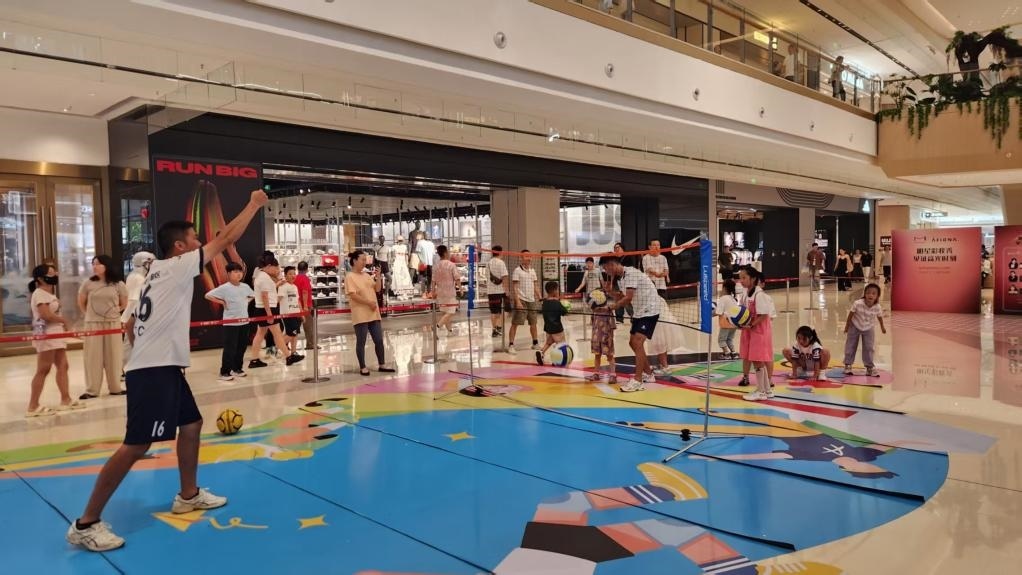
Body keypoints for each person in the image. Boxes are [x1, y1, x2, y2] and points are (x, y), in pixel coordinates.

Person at [67, 189, 267, 552]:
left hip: (162, 366)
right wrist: (253, 204)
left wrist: (149, 346)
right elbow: (226, 238)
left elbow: (131, 325)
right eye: (194, 238)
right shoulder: (177, 266)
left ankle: (188, 494)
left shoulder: (155, 272)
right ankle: (86, 523)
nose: (200, 243)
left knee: (191, 424)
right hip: (154, 370)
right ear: (180, 246)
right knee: (136, 444)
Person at [26, 264, 82, 417]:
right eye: (51, 273)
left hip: (56, 333)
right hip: (47, 334)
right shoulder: (39, 294)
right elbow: (45, 315)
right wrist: (64, 321)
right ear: (40, 278)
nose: (55, 275)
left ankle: (66, 399)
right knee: (43, 369)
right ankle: (33, 405)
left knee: (63, 365)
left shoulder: (48, 294)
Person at [601, 255, 659, 392]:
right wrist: (610, 292)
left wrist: (612, 307)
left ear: (611, 264)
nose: (606, 271)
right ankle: (648, 374)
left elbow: (628, 298)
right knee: (632, 343)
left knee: (637, 342)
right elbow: (623, 296)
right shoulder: (621, 278)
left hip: (650, 309)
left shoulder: (631, 273)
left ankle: (638, 381)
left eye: (605, 268)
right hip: (639, 311)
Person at [78, 254, 128, 400]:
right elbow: (81, 302)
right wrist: (89, 315)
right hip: (93, 324)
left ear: (106, 265)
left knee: (114, 355)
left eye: (98, 264)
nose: (95, 266)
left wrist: (113, 312)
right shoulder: (88, 283)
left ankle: (115, 387)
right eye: (93, 264)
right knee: (92, 356)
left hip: (112, 323)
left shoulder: (118, 284)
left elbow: (124, 303)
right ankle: (92, 390)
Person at [345, 250, 395, 376]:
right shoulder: (350, 276)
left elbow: (377, 289)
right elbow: (353, 295)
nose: (364, 262)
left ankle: (382, 364)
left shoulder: (366, 275)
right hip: (360, 313)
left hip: (373, 312)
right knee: (361, 341)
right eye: (362, 259)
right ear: (354, 261)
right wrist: (368, 303)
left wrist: (378, 276)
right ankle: (363, 366)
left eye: (365, 260)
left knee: (379, 340)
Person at [204, 262, 255, 381]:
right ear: (229, 273)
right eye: (235, 272)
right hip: (230, 323)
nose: (239, 274)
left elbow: (253, 295)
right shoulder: (224, 288)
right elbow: (207, 295)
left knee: (241, 347)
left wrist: (246, 302)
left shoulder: (245, 287)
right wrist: (222, 302)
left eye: (240, 271)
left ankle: (237, 368)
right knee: (230, 348)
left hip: (244, 321)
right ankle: (224, 372)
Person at [737, 266, 775, 401]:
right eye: (740, 278)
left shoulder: (759, 295)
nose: (741, 281)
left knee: (758, 361)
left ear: (753, 279)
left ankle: (760, 391)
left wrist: (751, 324)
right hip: (751, 331)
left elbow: (764, 315)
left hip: (759, 331)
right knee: (757, 360)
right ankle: (767, 390)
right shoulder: (747, 293)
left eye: (744, 278)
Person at [248, 258, 294, 367]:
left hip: (264, 308)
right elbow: (264, 296)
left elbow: (268, 292)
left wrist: (277, 284)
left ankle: (254, 360)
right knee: (276, 334)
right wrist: (269, 313)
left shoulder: (262, 276)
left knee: (261, 334)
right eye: (276, 267)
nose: (277, 270)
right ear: (269, 266)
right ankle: (288, 356)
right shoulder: (264, 278)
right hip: (267, 309)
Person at [121, 251, 155, 373]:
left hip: (134, 314)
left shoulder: (135, 276)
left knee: (130, 343)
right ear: (143, 263)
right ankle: (128, 369)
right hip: (136, 315)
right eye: (150, 262)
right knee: (131, 343)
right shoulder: (138, 278)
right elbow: (135, 299)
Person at [844, 283, 887, 377]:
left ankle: (869, 367)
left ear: (877, 296)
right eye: (868, 293)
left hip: (868, 327)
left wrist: (882, 327)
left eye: (873, 293)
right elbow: (850, 315)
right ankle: (848, 364)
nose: (870, 295)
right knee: (851, 345)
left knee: (869, 347)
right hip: (855, 325)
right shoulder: (858, 303)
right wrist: (847, 326)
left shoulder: (877, 307)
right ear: (865, 294)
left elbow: (880, 317)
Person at [508, 250, 541, 354]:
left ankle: (535, 343)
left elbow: (535, 285)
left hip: (532, 300)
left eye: (530, 256)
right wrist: (517, 301)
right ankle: (511, 345)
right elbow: (515, 287)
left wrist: (540, 297)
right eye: (526, 256)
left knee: (533, 323)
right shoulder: (517, 270)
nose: (529, 258)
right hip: (521, 300)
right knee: (515, 323)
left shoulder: (532, 271)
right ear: (521, 258)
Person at [586, 294, 617, 384]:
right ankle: (596, 373)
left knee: (610, 356)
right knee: (597, 356)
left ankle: (613, 375)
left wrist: (610, 338)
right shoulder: (594, 311)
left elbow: (612, 326)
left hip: (606, 338)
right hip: (596, 338)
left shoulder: (608, 311)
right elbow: (593, 324)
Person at [277, 266, 305, 364]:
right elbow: (278, 300)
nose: (293, 276)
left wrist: (301, 313)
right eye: (290, 274)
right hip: (287, 315)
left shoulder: (295, 287)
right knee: (290, 334)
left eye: (294, 273)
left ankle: (293, 353)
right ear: (285, 275)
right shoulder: (283, 286)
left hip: (296, 314)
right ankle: (276, 348)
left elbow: (297, 301)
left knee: (295, 334)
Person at [536, 281, 567, 365]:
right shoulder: (557, 303)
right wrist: (564, 305)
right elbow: (564, 312)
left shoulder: (544, 302)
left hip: (548, 327)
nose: (558, 291)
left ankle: (541, 352)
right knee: (561, 344)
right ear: (554, 291)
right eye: (557, 290)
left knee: (549, 342)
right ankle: (556, 359)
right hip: (557, 328)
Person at [431, 244, 459, 333]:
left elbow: (433, 281)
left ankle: (450, 331)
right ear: (445, 253)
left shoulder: (436, 266)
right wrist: (461, 289)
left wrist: (433, 291)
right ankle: (437, 326)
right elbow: (457, 278)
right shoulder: (451, 265)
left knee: (445, 312)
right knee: (451, 311)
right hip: (450, 292)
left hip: (440, 292)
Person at [487, 245, 509, 338]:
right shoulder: (501, 262)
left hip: (491, 291)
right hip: (501, 291)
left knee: (493, 312)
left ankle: (494, 330)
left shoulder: (488, 263)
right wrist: (507, 290)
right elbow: (505, 277)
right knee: (506, 310)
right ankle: (499, 327)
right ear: (500, 252)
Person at [294, 261, 316, 350]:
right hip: (304, 306)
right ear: (307, 269)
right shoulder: (305, 278)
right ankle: (310, 344)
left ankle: (287, 344)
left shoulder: (295, 278)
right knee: (308, 326)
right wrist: (306, 306)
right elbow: (305, 292)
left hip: (296, 305)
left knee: (294, 326)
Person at [716, 278, 739, 359]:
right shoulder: (733, 299)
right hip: (734, 323)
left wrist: (709, 314)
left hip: (726, 323)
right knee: (729, 339)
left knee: (721, 340)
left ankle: (727, 353)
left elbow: (718, 312)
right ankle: (734, 353)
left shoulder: (723, 299)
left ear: (724, 288)